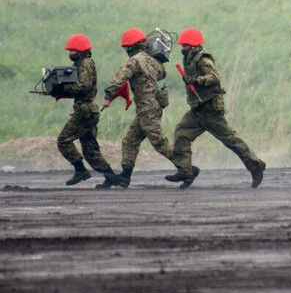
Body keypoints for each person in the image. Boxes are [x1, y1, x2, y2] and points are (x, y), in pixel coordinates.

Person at [166, 28, 266, 189]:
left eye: (184, 46)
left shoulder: (203, 60)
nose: (182, 49)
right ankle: (185, 171)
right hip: (198, 110)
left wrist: (197, 80)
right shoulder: (191, 59)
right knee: (181, 134)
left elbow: (215, 77)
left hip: (209, 110)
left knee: (230, 140)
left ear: (192, 47)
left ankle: (256, 166)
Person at [101, 28, 177, 188]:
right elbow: (162, 73)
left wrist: (108, 96)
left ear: (130, 47)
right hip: (150, 107)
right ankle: (125, 176)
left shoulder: (135, 61)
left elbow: (120, 78)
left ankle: (187, 167)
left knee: (159, 142)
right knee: (130, 141)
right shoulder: (152, 60)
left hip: (147, 109)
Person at [55, 34, 120, 187]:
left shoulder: (85, 64)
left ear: (79, 50)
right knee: (90, 149)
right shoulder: (83, 63)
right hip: (89, 110)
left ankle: (80, 170)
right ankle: (110, 175)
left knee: (63, 140)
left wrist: (63, 88)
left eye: (72, 50)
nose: (70, 54)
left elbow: (83, 86)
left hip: (85, 110)